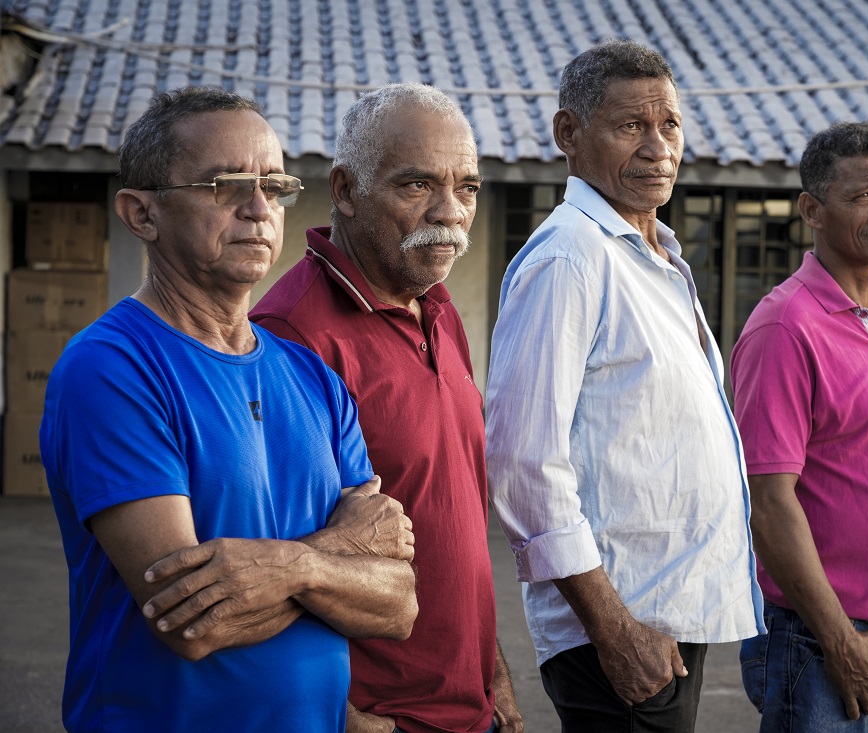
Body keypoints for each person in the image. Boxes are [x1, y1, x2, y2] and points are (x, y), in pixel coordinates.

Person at [39, 87, 418, 733]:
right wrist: (336, 561)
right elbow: (192, 621)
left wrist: (288, 568)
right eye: (225, 184)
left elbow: (398, 604)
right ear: (141, 213)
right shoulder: (111, 367)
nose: (258, 208)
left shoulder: (311, 376)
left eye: (274, 185)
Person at [484, 40, 765, 732]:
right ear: (568, 135)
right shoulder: (568, 259)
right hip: (618, 622)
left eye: (668, 124)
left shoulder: (657, 254)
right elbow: (524, 462)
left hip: (667, 611)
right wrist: (612, 628)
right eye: (630, 126)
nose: (657, 147)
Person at [251, 83, 522, 733]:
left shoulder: (438, 307)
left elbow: (450, 522)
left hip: (469, 705)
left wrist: (495, 676)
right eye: (417, 186)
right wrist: (339, 716)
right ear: (345, 190)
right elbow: (270, 560)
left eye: (468, 187)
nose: (451, 211)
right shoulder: (293, 336)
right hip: (381, 715)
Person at [730, 121, 868, 732]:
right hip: (828, 641)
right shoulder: (785, 327)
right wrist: (838, 639)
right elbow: (769, 503)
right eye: (863, 196)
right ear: (812, 209)